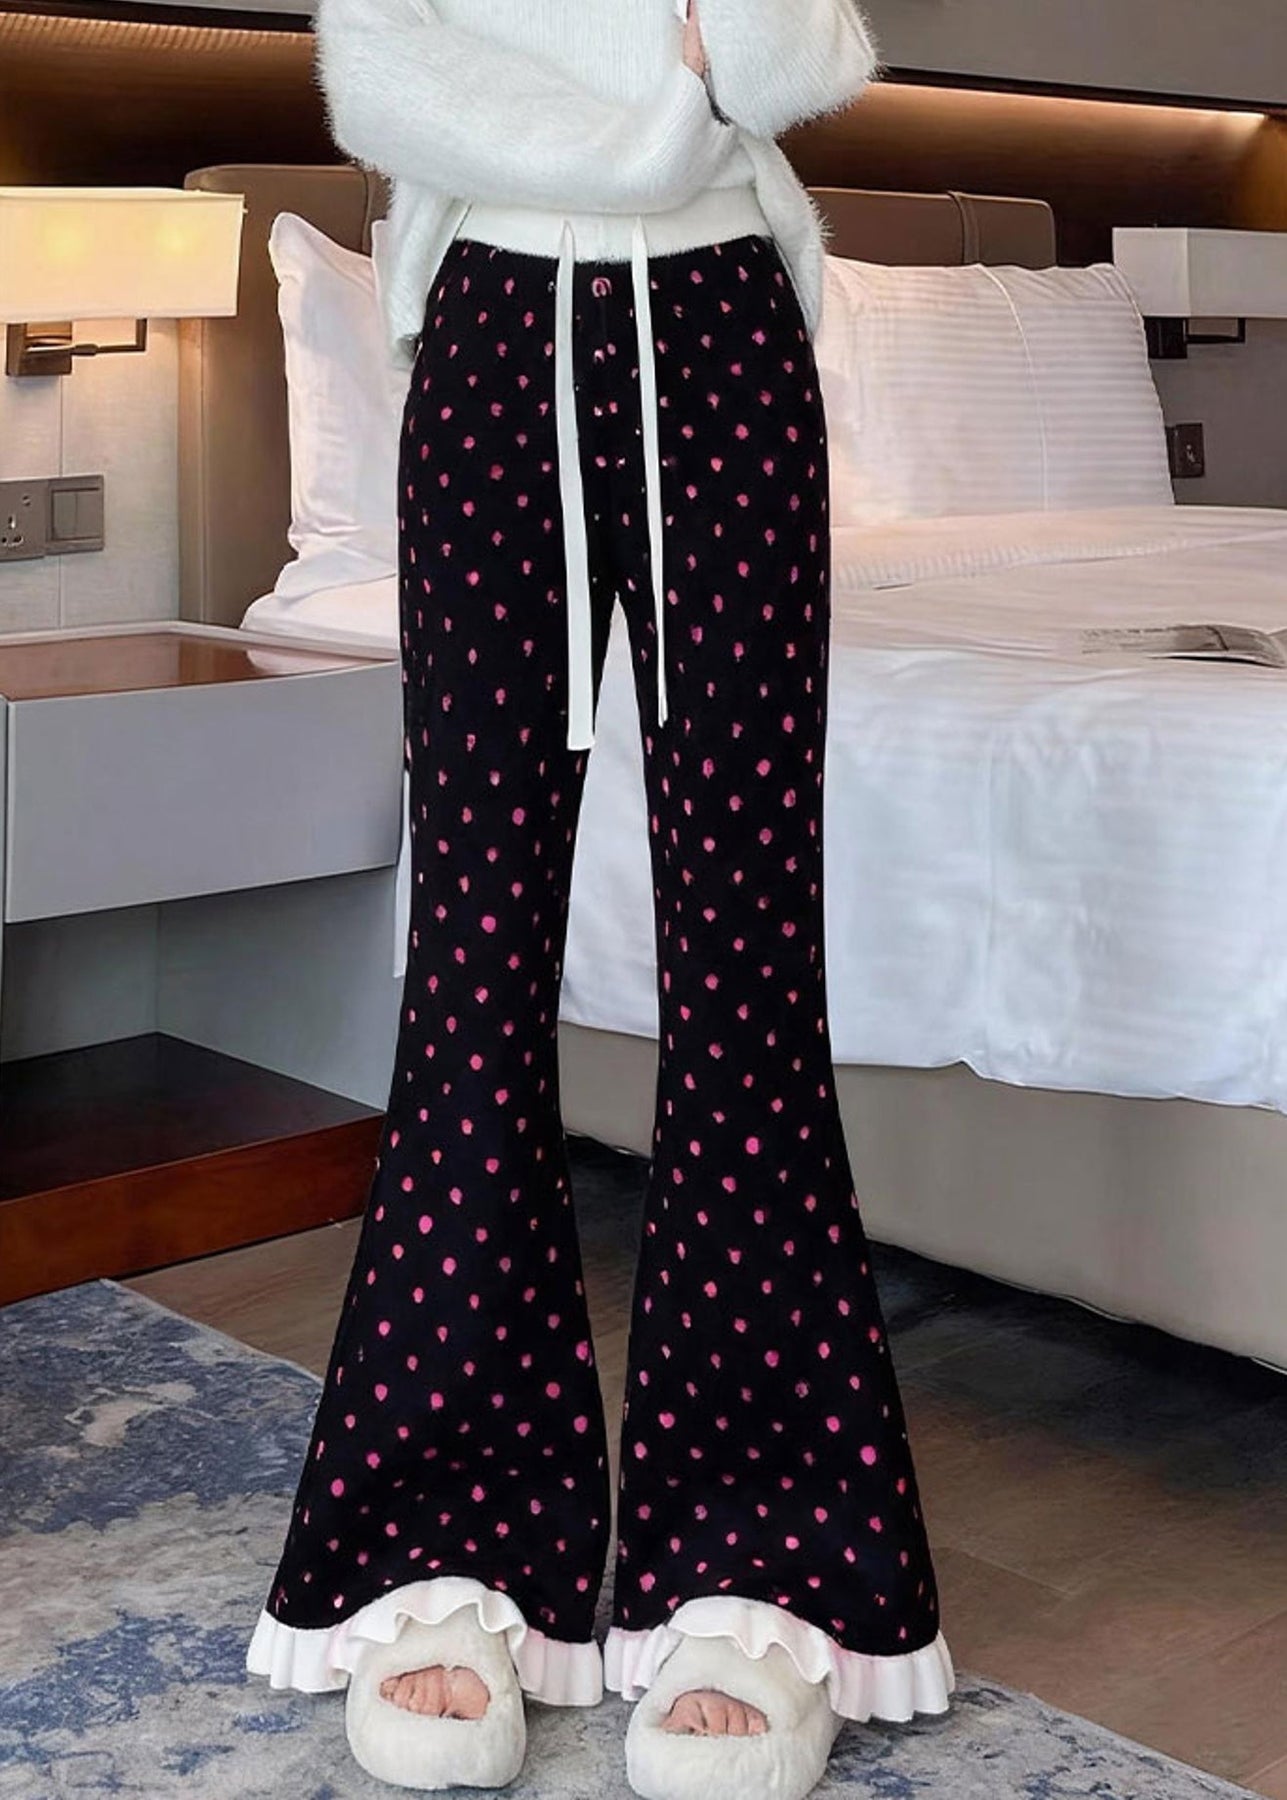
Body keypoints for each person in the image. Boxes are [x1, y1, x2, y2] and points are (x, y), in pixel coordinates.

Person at [246, 1, 956, 1794]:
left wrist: (650, 97)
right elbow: (389, 82)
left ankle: (765, 1560)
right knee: (473, 973)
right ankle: (447, 1534)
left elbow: (800, 53)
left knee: (748, 973)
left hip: (725, 339)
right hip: (494, 345)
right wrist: (667, 99)